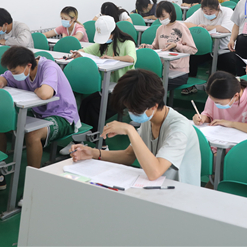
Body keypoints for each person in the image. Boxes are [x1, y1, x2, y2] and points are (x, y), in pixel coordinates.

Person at [0, 46, 80, 190]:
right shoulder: (19, 69)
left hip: (63, 116)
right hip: (37, 113)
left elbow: (45, 93)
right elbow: (4, 77)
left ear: (29, 65)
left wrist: (37, 89)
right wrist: (0, 82)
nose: (13, 74)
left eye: (15, 72)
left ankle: (33, 186)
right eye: (11, 71)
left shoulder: (49, 67)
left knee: (33, 134)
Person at [70, 69, 201, 186]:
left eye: (134, 109)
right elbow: (128, 155)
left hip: (180, 192)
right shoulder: (149, 118)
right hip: (155, 187)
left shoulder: (179, 128)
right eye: (129, 108)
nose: (131, 113)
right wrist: (93, 153)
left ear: (154, 106)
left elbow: (154, 172)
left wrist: (130, 130)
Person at [70, 16, 137, 131]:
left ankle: (98, 138)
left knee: (95, 107)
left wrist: (112, 58)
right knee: (86, 103)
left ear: (113, 32)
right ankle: (81, 134)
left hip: (125, 90)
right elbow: (86, 50)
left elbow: (131, 58)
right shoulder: (103, 44)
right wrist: (78, 53)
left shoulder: (127, 42)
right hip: (107, 88)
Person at [192, 72, 247, 138]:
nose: (215, 104)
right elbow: (209, 117)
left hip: (246, 143)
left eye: (219, 103)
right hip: (221, 139)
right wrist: (202, 118)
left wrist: (232, 124)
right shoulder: (215, 94)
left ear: (235, 95)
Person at [140, 1, 197, 91]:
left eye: (163, 16)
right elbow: (155, 47)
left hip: (178, 72)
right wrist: (146, 47)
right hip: (162, 69)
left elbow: (193, 50)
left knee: (153, 87)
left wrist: (176, 46)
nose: (161, 19)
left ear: (171, 13)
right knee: (141, 82)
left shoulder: (181, 27)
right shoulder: (160, 28)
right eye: (159, 17)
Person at [184, 0, 234, 78]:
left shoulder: (227, 12)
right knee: (190, 56)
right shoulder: (200, 12)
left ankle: (223, 83)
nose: (208, 13)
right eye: (205, 11)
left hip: (223, 49)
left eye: (211, 11)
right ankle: (190, 81)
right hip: (205, 48)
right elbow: (185, 24)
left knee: (228, 61)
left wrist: (205, 28)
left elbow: (225, 29)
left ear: (218, 7)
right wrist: (197, 26)